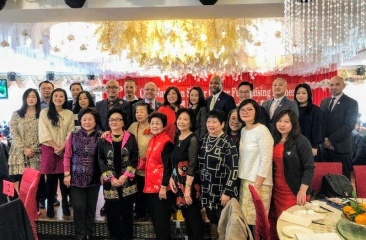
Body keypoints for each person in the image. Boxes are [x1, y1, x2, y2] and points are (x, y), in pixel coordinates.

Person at [97, 108, 138, 240]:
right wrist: (111, 178)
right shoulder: (103, 140)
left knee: (127, 213)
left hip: (127, 182)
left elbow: (134, 158)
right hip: (111, 183)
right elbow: (101, 160)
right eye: (111, 120)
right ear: (108, 122)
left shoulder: (130, 138)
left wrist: (125, 176)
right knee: (112, 213)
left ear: (123, 122)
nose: (114, 122)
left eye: (117, 119)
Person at [198, 109, 239, 239]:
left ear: (222, 124)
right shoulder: (204, 139)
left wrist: (227, 192)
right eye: (209, 121)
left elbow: (234, 169)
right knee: (212, 225)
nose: (211, 124)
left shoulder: (228, 143)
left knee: (225, 226)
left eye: (214, 122)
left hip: (222, 192)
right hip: (207, 191)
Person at [63, 108, 102, 240]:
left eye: (90, 119)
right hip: (75, 177)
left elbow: (102, 157)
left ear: (95, 121)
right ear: (80, 121)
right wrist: (67, 174)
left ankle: (88, 233)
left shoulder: (101, 136)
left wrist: (103, 174)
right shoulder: (73, 135)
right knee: (79, 207)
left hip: (94, 177)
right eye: (84, 119)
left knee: (91, 208)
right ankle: (79, 234)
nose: (87, 122)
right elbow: (67, 155)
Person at [270, 109, 314, 220]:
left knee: (293, 223)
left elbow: (309, 168)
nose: (282, 124)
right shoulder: (274, 140)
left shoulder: (301, 141)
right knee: (279, 223)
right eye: (279, 121)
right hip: (276, 191)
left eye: (286, 121)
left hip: (295, 192)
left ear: (293, 123)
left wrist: (302, 190)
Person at [38, 88, 75, 218]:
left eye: (61, 96)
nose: (58, 98)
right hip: (49, 149)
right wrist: (55, 147)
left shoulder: (68, 113)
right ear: (52, 97)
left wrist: (62, 147)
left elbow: (70, 132)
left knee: (64, 178)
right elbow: (44, 132)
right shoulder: (44, 112)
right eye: (56, 96)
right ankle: (49, 206)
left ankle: (65, 204)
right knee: (50, 181)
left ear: (65, 99)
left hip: (65, 148)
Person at [237, 99, 273, 228]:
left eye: (249, 109)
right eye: (242, 109)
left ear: (256, 112)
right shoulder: (243, 130)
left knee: (256, 223)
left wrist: (258, 184)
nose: (245, 112)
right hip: (245, 181)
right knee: (245, 220)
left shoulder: (262, 130)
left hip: (259, 183)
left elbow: (266, 160)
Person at [169, 108, 204, 240]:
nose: (181, 121)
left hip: (190, 184)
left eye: (185, 119)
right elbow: (175, 161)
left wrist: (188, 189)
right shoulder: (178, 137)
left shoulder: (193, 139)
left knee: (194, 217)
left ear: (191, 122)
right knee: (186, 216)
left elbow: (192, 165)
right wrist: (172, 177)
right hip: (179, 183)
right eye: (179, 119)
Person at [319, 76, 359, 179]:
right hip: (324, 148)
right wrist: (324, 140)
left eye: (337, 84)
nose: (334, 87)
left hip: (342, 148)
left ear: (343, 86)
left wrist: (331, 140)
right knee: (326, 178)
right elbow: (320, 123)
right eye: (331, 85)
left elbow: (349, 125)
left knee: (342, 180)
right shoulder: (324, 102)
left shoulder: (351, 103)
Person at [144, 112, 174, 240]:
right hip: (150, 186)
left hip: (160, 188)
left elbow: (168, 167)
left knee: (162, 223)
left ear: (164, 125)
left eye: (158, 123)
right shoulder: (152, 139)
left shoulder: (166, 141)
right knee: (156, 221)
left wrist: (163, 186)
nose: (154, 126)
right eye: (152, 123)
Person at [8, 89, 41, 193]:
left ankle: (36, 208)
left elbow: (44, 133)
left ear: (37, 99)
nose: (31, 99)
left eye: (34, 96)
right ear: (24, 98)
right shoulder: (16, 114)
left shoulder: (42, 115)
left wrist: (34, 149)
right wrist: (24, 149)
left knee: (37, 185)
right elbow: (14, 133)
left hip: (37, 154)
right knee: (23, 186)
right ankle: (23, 209)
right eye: (28, 96)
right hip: (20, 154)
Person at [127, 102, 153, 220]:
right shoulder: (133, 126)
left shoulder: (153, 125)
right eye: (137, 111)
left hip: (151, 165)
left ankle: (149, 211)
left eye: (142, 111)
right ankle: (139, 211)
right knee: (138, 189)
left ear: (148, 113)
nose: (139, 114)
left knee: (149, 190)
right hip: (136, 165)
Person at [294, 83, 323, 157]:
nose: (300, 95)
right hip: (294, 144)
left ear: (309, 95)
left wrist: (315, 146)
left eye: (304, 93)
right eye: (298, 93)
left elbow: (318, 129)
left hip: (310, 145)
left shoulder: (316, 110)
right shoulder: (292, 109)